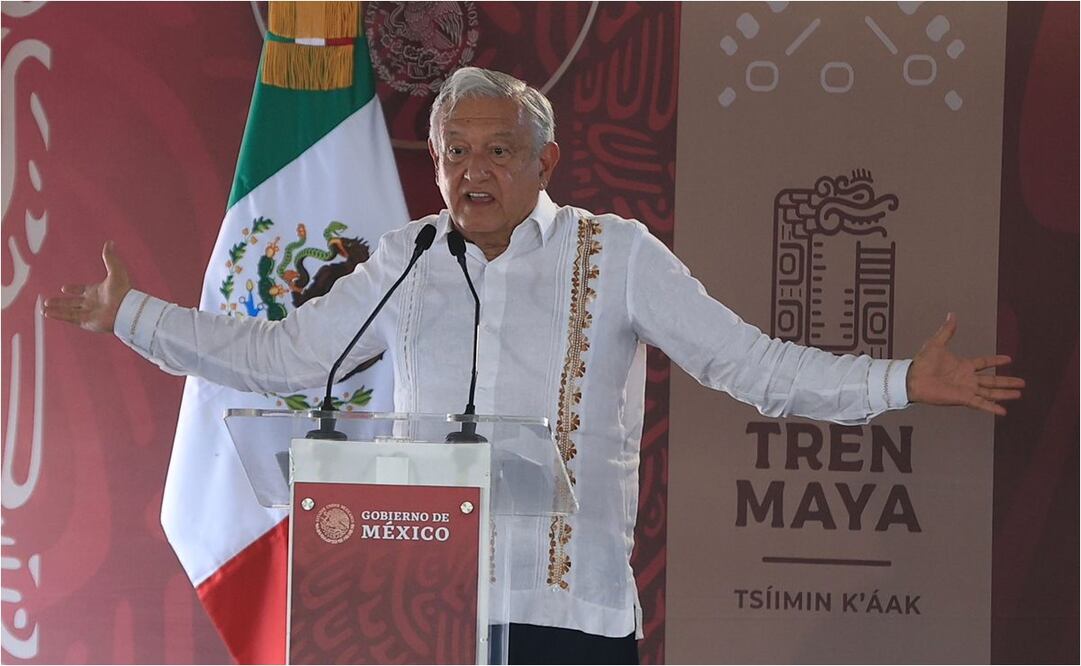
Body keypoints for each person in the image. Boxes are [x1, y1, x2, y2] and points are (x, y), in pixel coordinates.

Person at [44, 67, 1024, 664]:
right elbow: (280, 357)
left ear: (543, 163)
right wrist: (128, 312)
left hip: (570, 617)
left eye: (498, 151)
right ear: (433, 167)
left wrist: (901, 381)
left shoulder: (619, 254)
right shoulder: (410, 260)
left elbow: (752, 367)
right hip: (418, 618)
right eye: (453, 152)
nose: (472, 170)